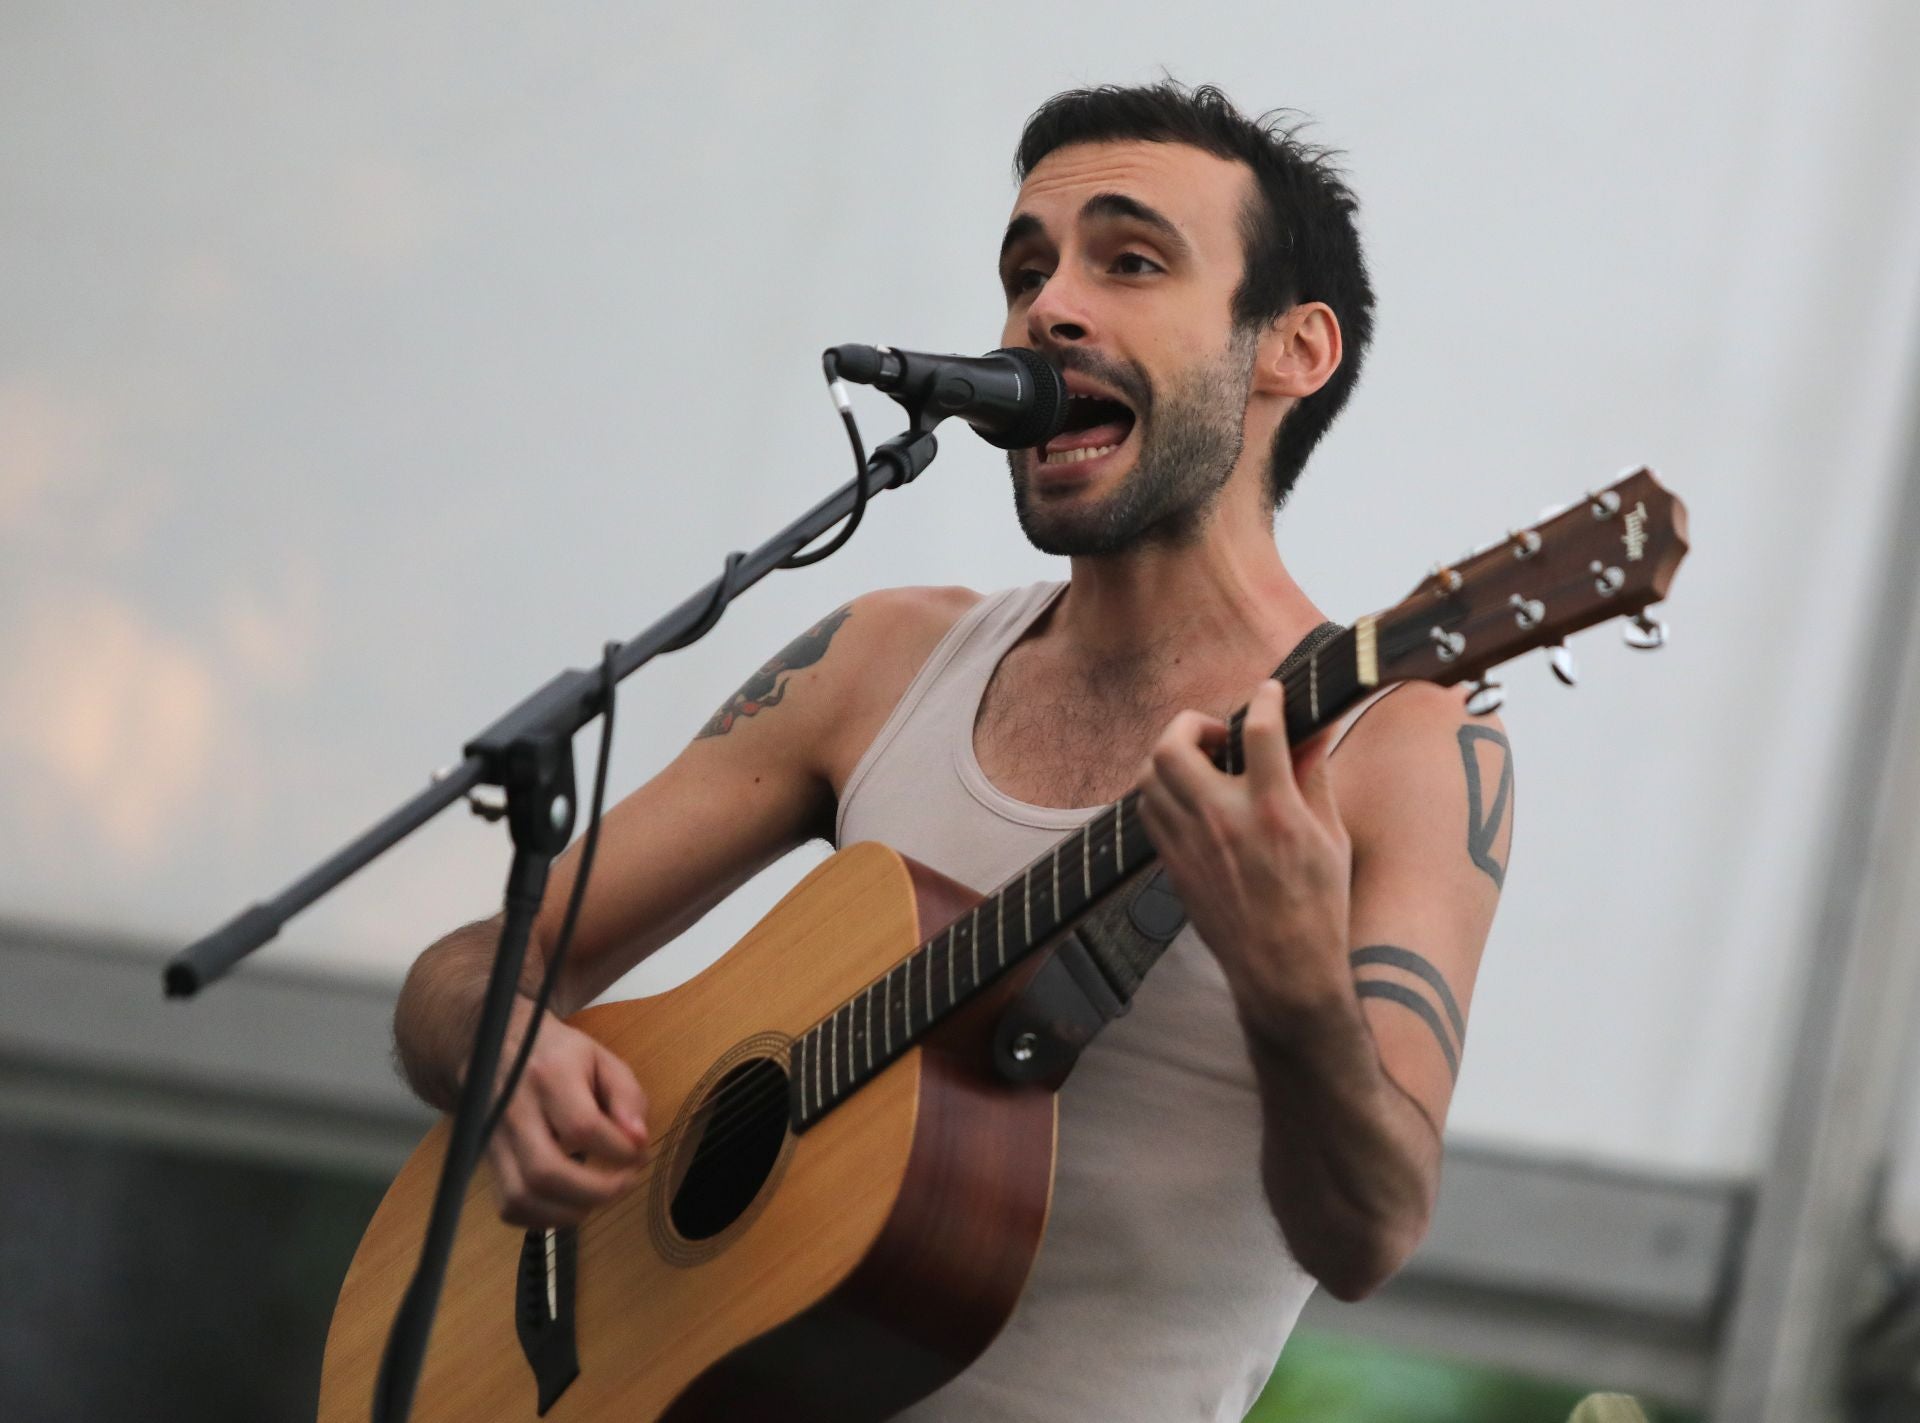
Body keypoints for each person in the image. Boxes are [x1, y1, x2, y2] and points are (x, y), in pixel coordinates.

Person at [393, 80, 1514, 1422]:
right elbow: (466, 974)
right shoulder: (877, 662)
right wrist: (506, 1054)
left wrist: (1290, 987)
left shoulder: (1402, 749)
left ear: (1293, 349)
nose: (1046, 308)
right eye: (1025, 270)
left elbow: (1371, 1233)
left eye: (1131, 260)